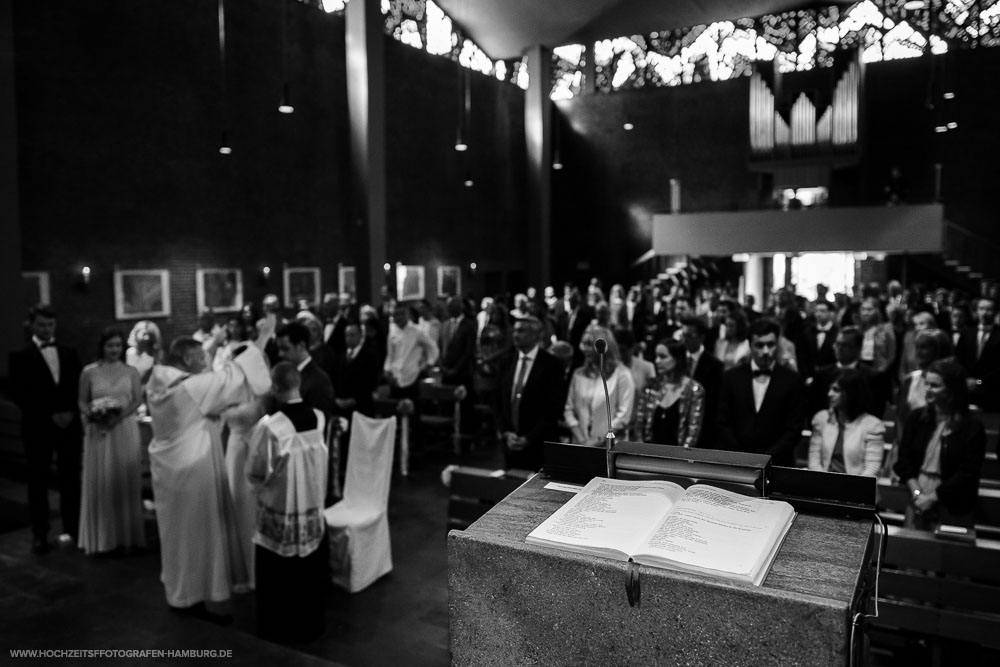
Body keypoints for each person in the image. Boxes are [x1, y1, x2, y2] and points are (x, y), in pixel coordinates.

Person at [145, 336, 270, 621]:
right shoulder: (191, 387)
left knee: (177, 537)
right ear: (187, 359)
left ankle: (180, 594)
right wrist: (254, 347)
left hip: (169, 474)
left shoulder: (158, 386)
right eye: (201, 356)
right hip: (193, 473)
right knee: (202, 536)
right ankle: (201, 595)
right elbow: (231, 380)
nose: (206, 362)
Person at [247, 362, 329, 643]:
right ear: (298, 385)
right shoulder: (319, 418)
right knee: (307, 576)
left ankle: (278, 628)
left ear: (275, 387)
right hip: (311, 510)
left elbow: (256, 470)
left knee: (280, 579)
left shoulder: (272, 426)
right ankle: (310, 624)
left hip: (281, 513)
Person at [9, 305, 83, 554]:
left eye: (50, 325)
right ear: (31, 324)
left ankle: (73, 529)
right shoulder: (19, 357)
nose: (46, 329)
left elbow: (78, 387)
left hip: (69, 425)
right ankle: (40, 535)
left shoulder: (69, 353)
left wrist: (70, 412)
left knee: (70, 479)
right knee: (38, 483)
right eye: (41, 324)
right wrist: (51, 414)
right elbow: (20, 394)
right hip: (38, 427)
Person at [894, 358, 987, 529]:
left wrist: (932, 498)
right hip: (917, 497)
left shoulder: (972, 426)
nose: (927, 390)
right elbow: (903, 462)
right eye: (926, 384)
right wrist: (917, 494)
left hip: (953, 504)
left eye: (935, 386)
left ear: (953, 391)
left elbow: (968, 472)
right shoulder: (916, 418)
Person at [77, 328, 146, 555]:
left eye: (118, 345)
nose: (115, 350)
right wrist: (93, 414)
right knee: (102, 479)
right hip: (99, 430)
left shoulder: (131, 371)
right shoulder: (89, 371)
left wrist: (119, 416)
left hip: (124, 428)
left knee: (123, 478)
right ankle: (102, 538)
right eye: (110, 346)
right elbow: (81, 400)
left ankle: (127, 536)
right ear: (102, 347)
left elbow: (137, 400)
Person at [716, 318, 805, 466]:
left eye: (770, 345)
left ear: (777, 344)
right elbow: (722, 421)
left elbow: (794, 428)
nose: (765, 351)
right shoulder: (731, 377)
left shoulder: (792, 380)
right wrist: (742, 457)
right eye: (759, 345)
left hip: (778, 464)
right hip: (737, 463)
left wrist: (766, 459)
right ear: (750, 345)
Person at [495, 316, 566, 470]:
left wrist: (529, 438)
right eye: (514, 330)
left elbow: (554, 408)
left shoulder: (552, 365)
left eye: (521, 331)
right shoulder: (506, 362)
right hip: (511, 443)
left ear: (536, 335)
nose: (515, 335)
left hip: (539, 444)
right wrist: (506, 432)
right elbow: (498, 401)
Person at [563, 327, 635, 446]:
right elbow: (568, 409)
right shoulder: (578, 373)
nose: (585, 349)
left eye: (590, 345)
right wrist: (583, 441)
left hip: (610, 446)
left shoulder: (622, 375)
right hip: (580, 444)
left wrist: (599, 440)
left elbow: (624, 416)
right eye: (583, 344)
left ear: (605, 347)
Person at [808, 369, 885, 476]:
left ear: (851, 393)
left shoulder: (873, 425)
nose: (829, 394)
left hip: (858, 488)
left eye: (836, 390)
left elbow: (871, 469)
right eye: (830, 388)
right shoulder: (821, 418)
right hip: (823, 485)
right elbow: (814, 461)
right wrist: (824, 483)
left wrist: (849, 488)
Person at [634, 339, 705, 448]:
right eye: (656, 356)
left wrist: (681, 459)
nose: (657, 361)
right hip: (649, 457)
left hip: (678, 459)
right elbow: (639, 427)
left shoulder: (694, 390)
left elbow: (692, 433)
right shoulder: (650, 387)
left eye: (663, 357)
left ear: (678, 359)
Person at [897, 328, 952, 434]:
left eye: (924, 347)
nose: (918, 352)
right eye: (916, 347)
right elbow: (900, 419)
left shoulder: (951, 379)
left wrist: (978, 381)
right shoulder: (910, 379)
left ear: (939, 350)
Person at [275, 321, 335, 419]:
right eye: (279, 349)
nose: (280, 354)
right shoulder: (283, 373)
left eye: (285, 348)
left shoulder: (320, 381)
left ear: (301, 346)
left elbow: (320, 423)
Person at [955, 296, 1000, 411]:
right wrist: (966, 379)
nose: (984, 313)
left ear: (995, 312)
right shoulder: (966, 332)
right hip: (966, 389)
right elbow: (959, 359)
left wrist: (980, 382)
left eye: (988, 309)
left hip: (991, 392)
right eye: (981, 309)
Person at [125, 320, 161, 384]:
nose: (147, 338)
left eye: (150, 335)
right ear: (136, 334)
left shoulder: (155, 354)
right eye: (144, 334)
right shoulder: (129, 353)